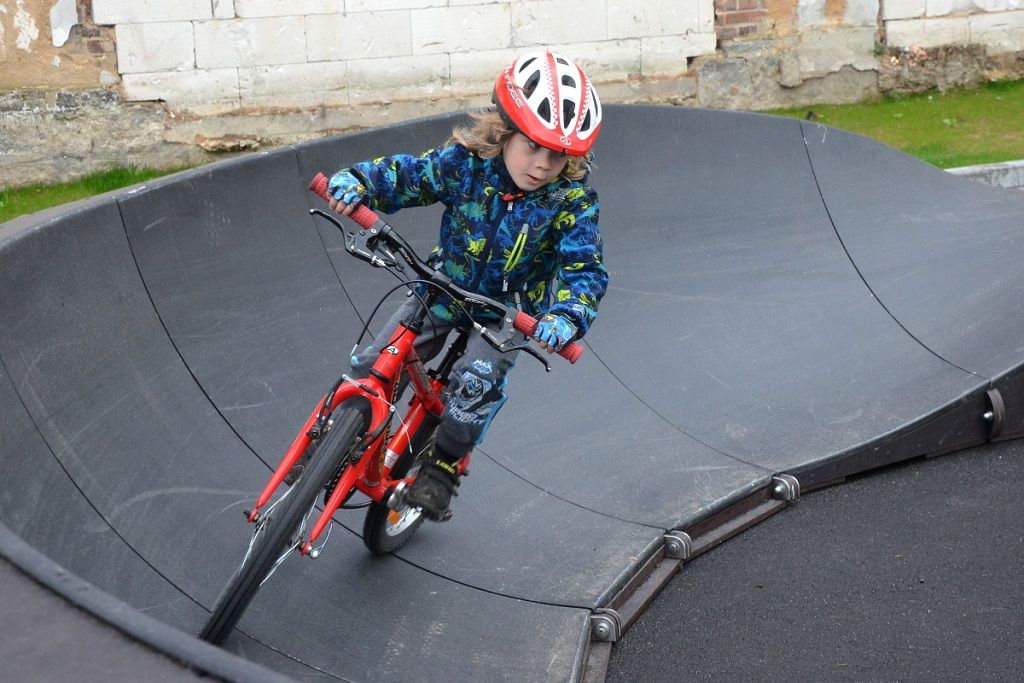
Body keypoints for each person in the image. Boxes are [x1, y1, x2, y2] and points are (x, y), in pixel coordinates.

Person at [326, 51, 608, 520]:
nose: (541, 165)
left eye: (557, 155)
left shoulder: (571, 201)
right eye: (531, 147)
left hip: (507, 313)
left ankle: (442, 464)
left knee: (476, 381)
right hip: (443, 287)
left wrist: (565, 316)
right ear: (504, 133)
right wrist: (359, 182)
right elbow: (409, 176)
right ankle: (330, 444)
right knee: (378, 361)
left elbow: (585, 270)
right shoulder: (468, 165)